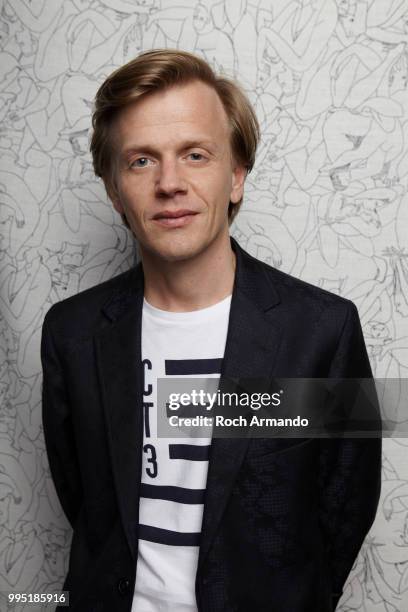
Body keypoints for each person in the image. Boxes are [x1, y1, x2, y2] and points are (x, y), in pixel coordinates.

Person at [41, 49, 382, 612]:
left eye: (195, 155)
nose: (170, 183)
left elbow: (347, 504)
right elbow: (85, 500)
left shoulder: (324, 328)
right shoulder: (72, 333)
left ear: (236, 176)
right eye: (141, 161)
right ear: (113, 190)